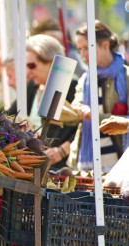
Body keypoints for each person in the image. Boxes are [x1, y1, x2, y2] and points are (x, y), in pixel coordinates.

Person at [67, 20, 129, 173]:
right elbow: (77, 104)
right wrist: (78, 108)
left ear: (105, 45)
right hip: (87, 164)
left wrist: (95, 115)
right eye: (79, 49)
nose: (82, 55)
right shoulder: (85, 78)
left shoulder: (126, 76)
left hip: (119, 164)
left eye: (87, 48)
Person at [25, 34, 78, 170]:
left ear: (51, 62)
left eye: (31, 66)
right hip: (35, 166)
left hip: (62, 169)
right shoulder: (32, 87)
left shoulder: (72, 87)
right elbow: (10, 114)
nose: (28, 72)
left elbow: (86, 128)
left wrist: (63, 150)